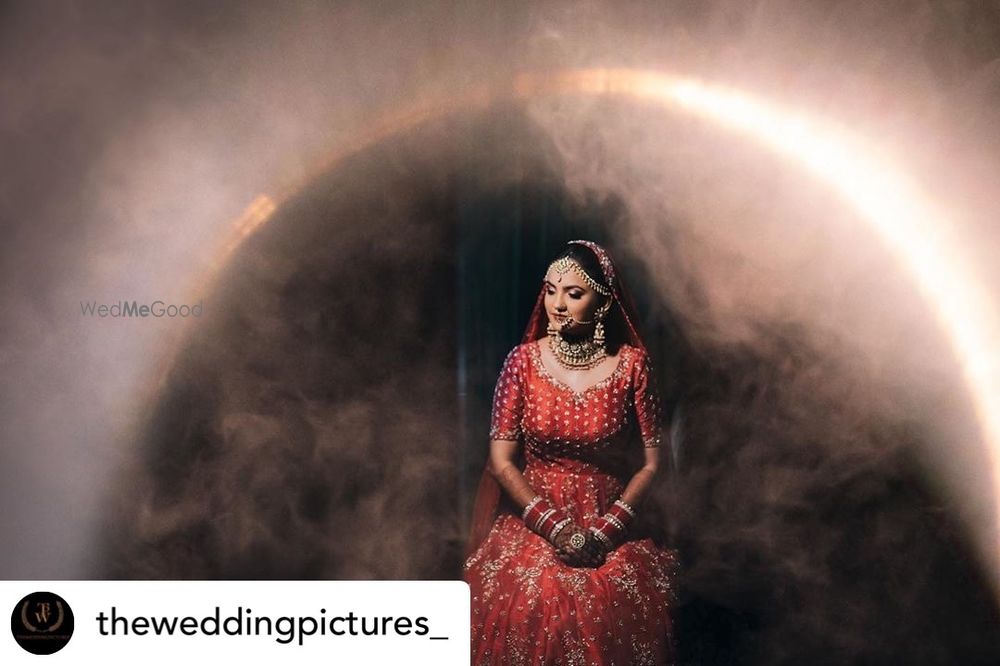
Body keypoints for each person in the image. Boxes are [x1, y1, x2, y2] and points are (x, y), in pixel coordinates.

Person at [464, 240, 678, 665]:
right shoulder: (522, 363)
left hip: (610, 520)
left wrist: (605, 532)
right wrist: (556, 528)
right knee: (533, 599)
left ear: (603, 302)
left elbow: (652, 465)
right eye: (550, 290)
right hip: (534, 518)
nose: (557, 304)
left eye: (573, 293)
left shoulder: (632, 366)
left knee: (609, 608)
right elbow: (501, 462)